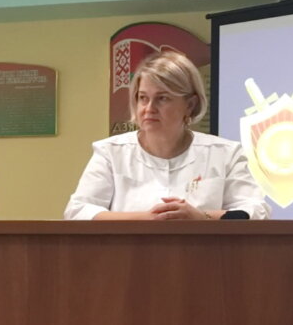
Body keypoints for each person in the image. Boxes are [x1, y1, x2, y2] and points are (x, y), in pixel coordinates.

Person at [64, 50, 270, 221]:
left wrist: (201, 217)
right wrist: (147, 219)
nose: (149, 108)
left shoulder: (226, 154)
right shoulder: (110, 152)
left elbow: (255, 212)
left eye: (162, 98)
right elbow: (78, 211)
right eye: (143, 98)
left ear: (190, 104)